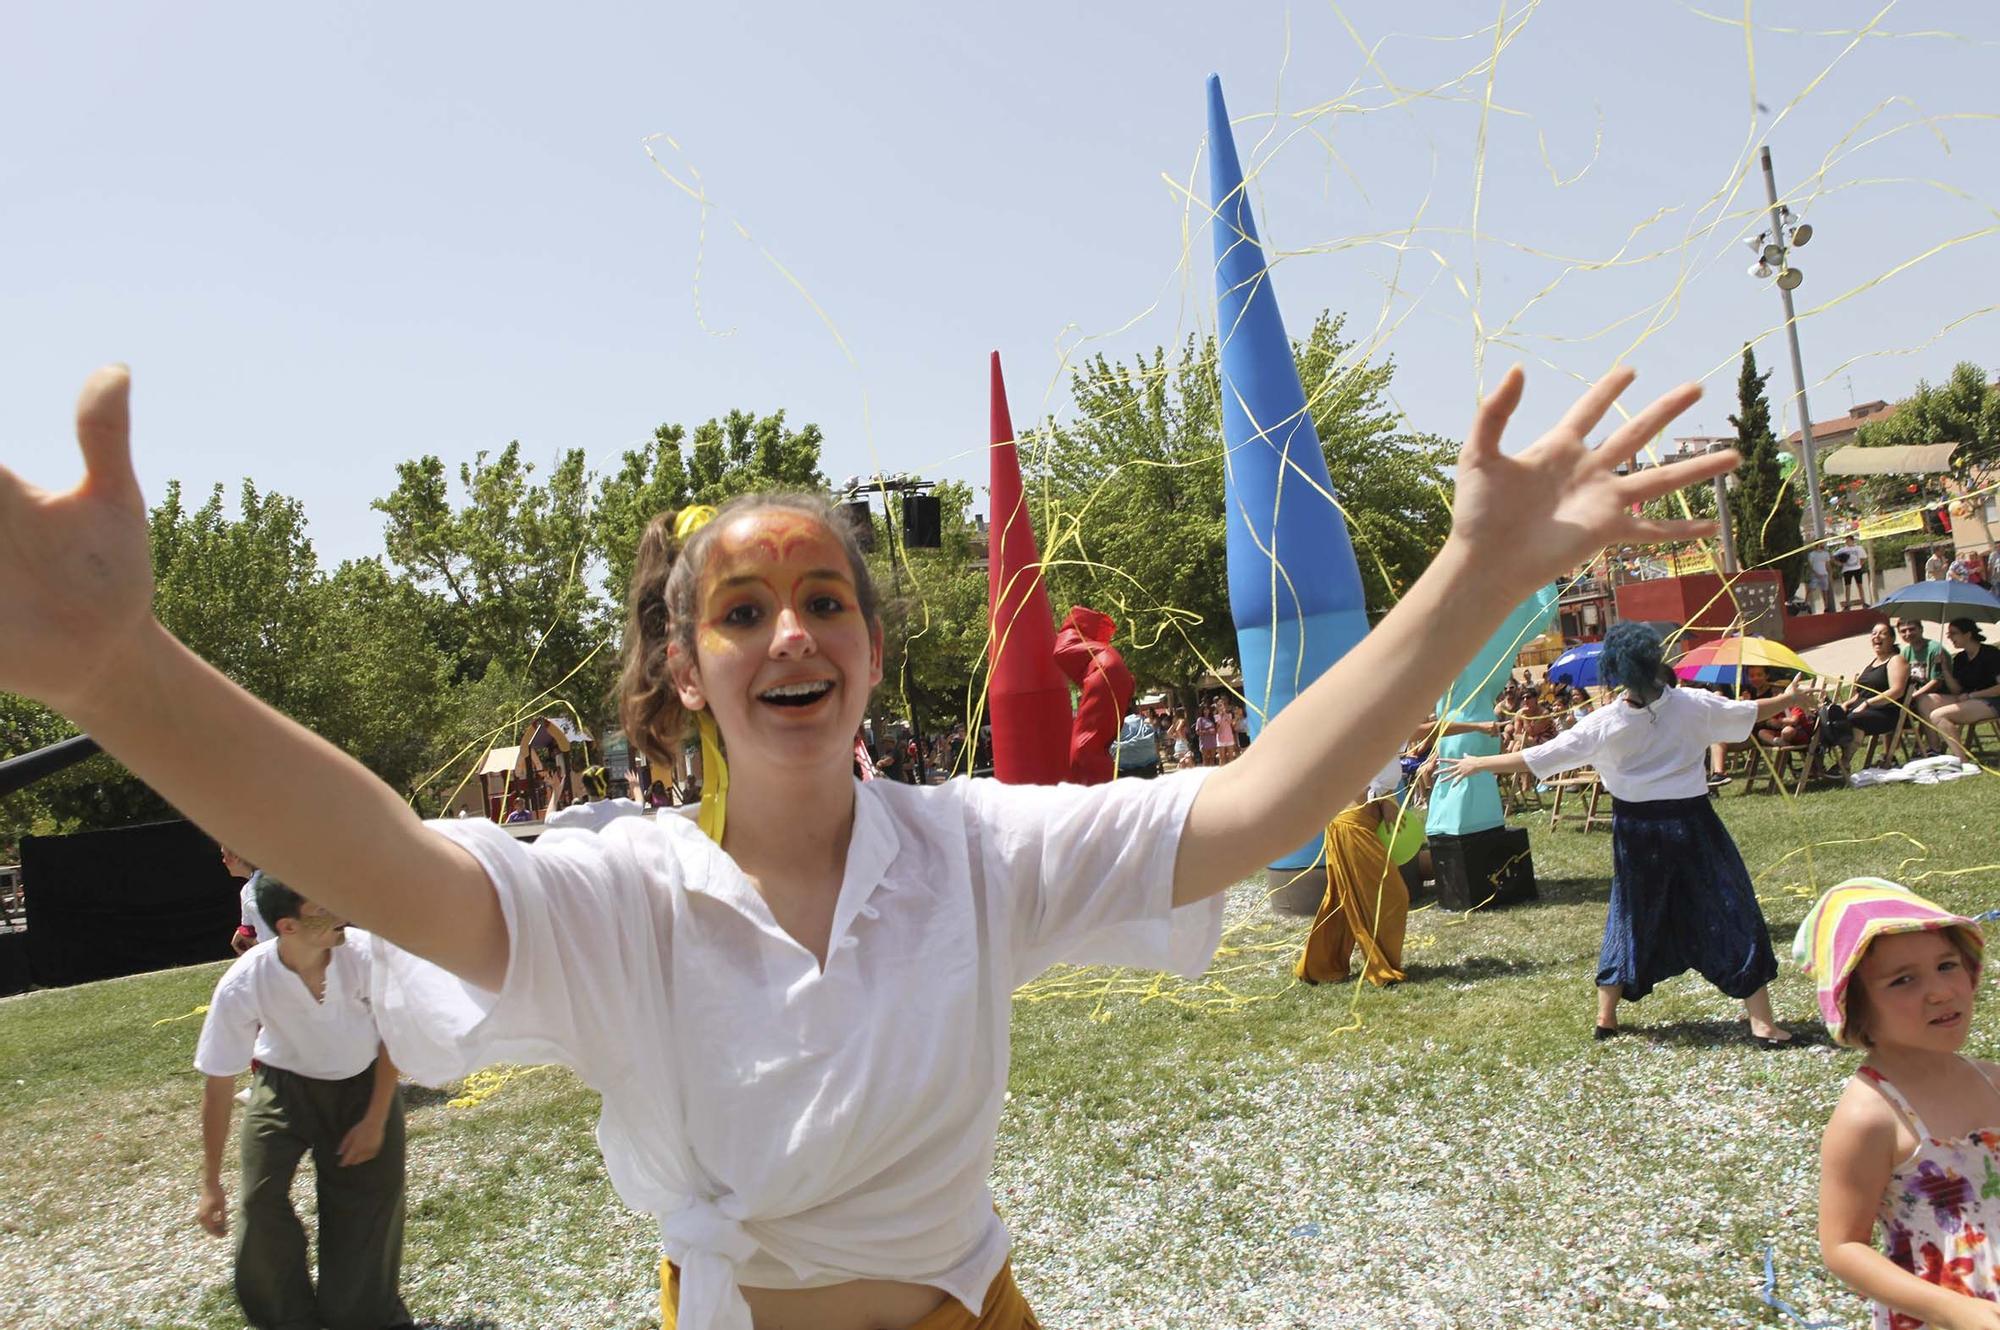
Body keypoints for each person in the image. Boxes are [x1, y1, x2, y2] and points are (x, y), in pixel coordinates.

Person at [6, 364, 1730, 1329]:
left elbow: (1259, 807)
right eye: (737, 609)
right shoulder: (621, 900)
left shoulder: (970, 852)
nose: (787, 631)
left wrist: (1475, 576)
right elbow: (380, 860)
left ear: (870, 649)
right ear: (681, 670)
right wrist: (124, 672)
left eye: (821, 597)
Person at [1440, 622, 1805, 1044]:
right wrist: (1789, 699)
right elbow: (1746, 713)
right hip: (1692, 825)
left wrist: (1479, 764)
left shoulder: (1604, 723)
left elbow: (1542, 756)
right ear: (1655, 661)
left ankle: (1606, 1016)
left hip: (1638, 831)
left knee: (1632, 913)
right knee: (1729, 906)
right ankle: (1760, 1021)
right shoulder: (1693, 705)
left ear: (1615, 670)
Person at [194, 875, 411, 1330]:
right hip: (284, 1088)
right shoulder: (245, 981)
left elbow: (395, 1035)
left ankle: (361, 1315)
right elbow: (218, 1082)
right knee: (258, 1201)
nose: (339, 915)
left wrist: (375, 1119)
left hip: (364, 1085)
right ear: (287, 927)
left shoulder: (364, 954)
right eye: (322, 909)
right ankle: (286, 1319)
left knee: (367, 1205)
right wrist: (210, 1182)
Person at [1803, 878, 2000, 1330]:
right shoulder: (1870, 1115)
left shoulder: (1992, 1081)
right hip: (1947, 1310)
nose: (1939, 991)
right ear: (1858, 1007)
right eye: (1903, 980)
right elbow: (1843, 1247)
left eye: (1947, 966)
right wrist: (1953, 1310)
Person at [1294, 759, 1411, 987]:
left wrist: (1386, 799)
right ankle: (1382, 967)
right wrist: (1479, 728)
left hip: (1358, 820)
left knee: (1341, 900)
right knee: (1392, 896)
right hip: (1351, 823)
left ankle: (1320, 967)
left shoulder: (1385, 731)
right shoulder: (1376, 728)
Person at [1830, 623, 1913, 769]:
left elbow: (1897, 691)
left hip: (1887, 712)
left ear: (1892, 639)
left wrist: (1868, 703)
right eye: (1874, 633)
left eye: (1882, 633)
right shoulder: (1873, 662)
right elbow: (1861, 693)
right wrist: (1846, 704)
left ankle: (1844, 763)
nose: (1876, 637)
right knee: (1830, 718)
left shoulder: (1896, 660)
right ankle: (1816, 764)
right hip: (1863, 709)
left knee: (1854, 719)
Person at [1924, 619, 2000, 762]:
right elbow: (1956, 689)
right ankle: (1935, 750)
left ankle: (1962, 761)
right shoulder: (1960, 658)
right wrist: (1945, 668)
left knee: (1938, 715)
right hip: (1968, 699)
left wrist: (1973, 695)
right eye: (1948, 634)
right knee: (1925, 701)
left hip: (1992, 701)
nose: (1950, 638)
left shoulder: (1991, 654)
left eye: (1954, 633)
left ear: (1968, 634)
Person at [223, 845, 271, 955]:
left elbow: (257, 935)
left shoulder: (248, 891)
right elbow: (247, 931)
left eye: (224, 855)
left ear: (236, 856)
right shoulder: (283, 876)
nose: (223, 861)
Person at [1836, 535, 1867, 608]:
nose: (1847, 542)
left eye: (1848, 540)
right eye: (1846, 541)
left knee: (1860, 585)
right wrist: (1838, 563)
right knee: (1847, 586)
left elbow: (1864, 557)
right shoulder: (1843, 550)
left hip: (1857, 569)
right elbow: (1833, 556)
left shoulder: (1859, 548)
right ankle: (1847, 603)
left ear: (1852, 541)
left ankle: (1863, 601)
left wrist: (1860, 564)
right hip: (1847, 570)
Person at [1808, 542, 1836, 613]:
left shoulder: (1826, 554)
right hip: (1815, 575)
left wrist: (1830, 574)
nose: (1822, 545)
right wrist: (1815, 573)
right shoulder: (1812, 554)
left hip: (1824, 574)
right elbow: (1810, 565)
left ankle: (1826, 607)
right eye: (1820, 544)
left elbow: (1828, 565)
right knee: (1811, 588)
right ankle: (1805, 603)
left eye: (1822, 544)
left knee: (1825, 591)